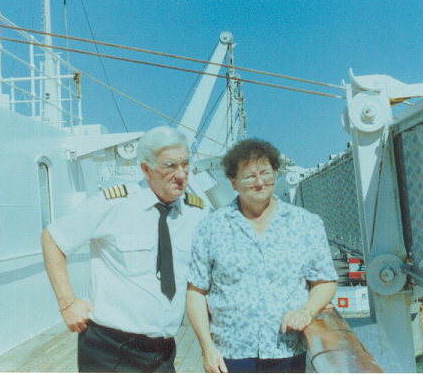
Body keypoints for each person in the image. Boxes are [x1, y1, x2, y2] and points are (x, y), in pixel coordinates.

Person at [42, 126, 211, 372]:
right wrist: (67, 303)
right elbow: (53, 238)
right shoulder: (114, 204)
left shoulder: (198, 213)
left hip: (162, 353)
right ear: (146, 168)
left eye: (185, 164)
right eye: (170, 166)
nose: (181, 174)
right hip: (110, 349)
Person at [186, 138, 338, 373]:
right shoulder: (210, 228)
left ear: (275, 176)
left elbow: (325, 281)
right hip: (229, 354)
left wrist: (306, 311)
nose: (259, 182)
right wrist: (207, 347)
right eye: (249, 176)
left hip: (286, 350)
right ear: (233, 183)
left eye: (266, 173)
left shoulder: (306, 223)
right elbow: (195, 291)